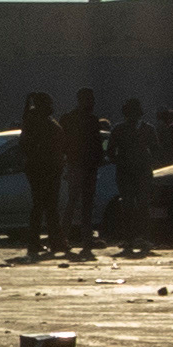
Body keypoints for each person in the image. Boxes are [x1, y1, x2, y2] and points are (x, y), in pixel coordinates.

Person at [17, 91, 65, 253]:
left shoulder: (32, 121)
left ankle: (37, 241)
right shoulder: (39, 122)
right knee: (48, 206)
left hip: (41, 167)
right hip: (45, 167)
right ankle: (54, 241)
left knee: (41, 205)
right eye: (49, 104)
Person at [111, 98, 160, 247]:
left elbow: (156, 150)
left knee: (141, 205)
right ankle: (131, 238)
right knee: (129, 206)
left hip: (140, 173)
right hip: (127, 173)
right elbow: (111, 151)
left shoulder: (144, 129)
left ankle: (141, 237)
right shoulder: (123, 129)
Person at [59, 87, 103, 252]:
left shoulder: (69, 118)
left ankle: (64, 238)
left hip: (78, 165)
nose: (92, 103)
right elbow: (97, 144)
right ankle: (83, 240)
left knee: (75, 203)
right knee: (84, 204)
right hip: (83, 166)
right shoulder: (90, 119)